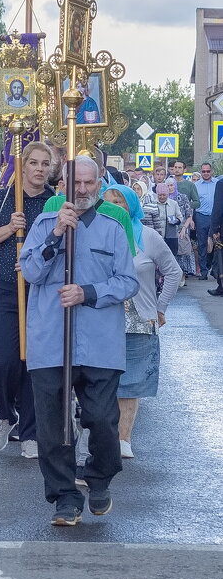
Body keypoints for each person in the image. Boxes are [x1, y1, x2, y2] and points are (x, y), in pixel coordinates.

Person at [20, 156, 138, 527]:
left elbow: (127, 282)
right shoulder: (42, 225)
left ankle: (99, 477)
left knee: (103, 420)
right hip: (51, 339)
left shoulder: (113, 228)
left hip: (100, 341)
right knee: (53, 427)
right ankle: (65, 498)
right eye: (76, 185)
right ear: (63, 187)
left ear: (99, 184)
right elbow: (32, 271)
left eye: (89, 183)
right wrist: (56, 235)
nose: (83, 191)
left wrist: (87, 292)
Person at [0, 141, 54, 459]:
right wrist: (9, 228)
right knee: (1, 360)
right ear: (23, 167)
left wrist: (37, 261)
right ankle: (6, 416)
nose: (38, 169)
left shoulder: (53, 203)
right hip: (5, 288)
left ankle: (31, 432)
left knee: (33, 362)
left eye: (44, 164)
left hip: (40, 292)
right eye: (33, 163)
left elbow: (62, 244)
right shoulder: (3, 198)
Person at [102, 186, 181, 460]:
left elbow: (173, 271)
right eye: (109, 202)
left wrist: (161, 307)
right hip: (102, 319)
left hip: (139, 318)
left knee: (131, 382)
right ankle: (104, 436)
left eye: (120, 202)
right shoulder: (96, 234)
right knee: (103, 381)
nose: (115, 207)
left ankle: (124, 439)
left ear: (132, 206)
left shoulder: (148, 236)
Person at [193, 162, 217, 279]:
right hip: (201, 216)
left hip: (215, 218)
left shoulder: (218, 184)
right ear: (201, 171)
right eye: (204, 171)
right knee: (202, 243)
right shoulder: (196, 185)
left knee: (216, 244)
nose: (206, 173)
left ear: (211, 171)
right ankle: (203, 272)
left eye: (208, 171)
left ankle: (213, 267)